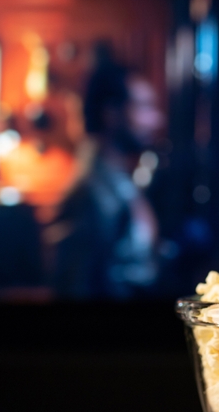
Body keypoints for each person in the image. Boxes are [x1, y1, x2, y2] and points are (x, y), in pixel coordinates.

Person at [46, 47, 161, 299]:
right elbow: (75, 290)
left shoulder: (118, 178)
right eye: (144, 107)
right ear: (111, 113)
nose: (156, 119)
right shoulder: (90, 191)